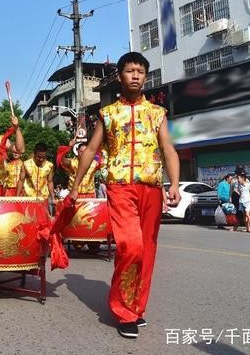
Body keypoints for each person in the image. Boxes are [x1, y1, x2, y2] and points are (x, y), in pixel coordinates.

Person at [69, 52, 181, 339]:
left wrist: (174, 184)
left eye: (140, 71)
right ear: (120, 76)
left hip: (151, 187)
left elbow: (168, 149)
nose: (135, 75)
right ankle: (123, 310)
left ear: (145, 77)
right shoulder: (108, 114)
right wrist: (76, 185)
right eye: (130, 70)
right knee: (130, 246)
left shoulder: (157, 113)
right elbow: (91, 150)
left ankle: (136, 307)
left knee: (146, 251)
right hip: (120, 186)